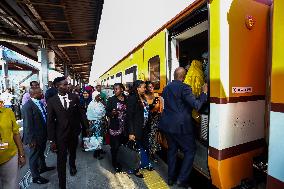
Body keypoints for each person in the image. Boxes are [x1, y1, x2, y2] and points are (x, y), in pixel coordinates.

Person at [159, 67, 208, 188]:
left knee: (172, 151)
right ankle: (182, 180)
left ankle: (171, 179)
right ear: (183, 77)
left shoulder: (166, 88)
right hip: (181, 127)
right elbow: (197, 105)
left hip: (167, 125)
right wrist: (204, 93)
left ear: (175, 75)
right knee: (190, 150)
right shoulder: (185, 88)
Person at [47, 77, 89, 189]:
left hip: (74, 132)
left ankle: (72, 165)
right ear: (57, 86)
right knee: (61, 159)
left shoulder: (74, 97)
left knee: (73, 152)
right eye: (65, 84)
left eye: (67, 84)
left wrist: (86, 127)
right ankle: (62, 185)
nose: (67, 86)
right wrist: (51, 140)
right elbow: (50, 121)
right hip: (60, 135)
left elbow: (81, 114)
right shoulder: (52, 101)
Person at [22, 88, 55, 185]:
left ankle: (43, 167)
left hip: (42, 134)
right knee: (34, 156)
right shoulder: (27, 106)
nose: (42, 93)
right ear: (34, 94)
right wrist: (31, 139)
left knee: (41, 153)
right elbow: (27, 125)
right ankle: (36, 177)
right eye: (40, 92)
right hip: (35, 137)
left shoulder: (40, 103)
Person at [127, 80, 153, 178]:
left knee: (145, 147)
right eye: (143, 87)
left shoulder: (143, 97)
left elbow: (146, 112)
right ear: (137, 88)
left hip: (144, 128)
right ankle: (136, 169)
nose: (145, 89)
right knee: (136, 149)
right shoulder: (132, 98)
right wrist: (131, 132)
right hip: (136, 129)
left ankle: (145, 163)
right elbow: (129, 117)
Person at [0, 97, 26, 189]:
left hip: (9, 156)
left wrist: (22, 154)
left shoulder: (8, 112)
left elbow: (16, 134)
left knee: (12, 185)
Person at [106, 83, 127, 172]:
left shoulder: (127, 99)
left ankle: (121, 160)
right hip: (115, 127)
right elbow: (107, 112)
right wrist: (112, 114)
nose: (115, 91)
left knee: (122, 145)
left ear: (122, 89)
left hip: (125, 128)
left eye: (116, 89)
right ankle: (115, 163)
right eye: (114, 89)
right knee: (115, 146)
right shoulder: (111, 100)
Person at [144, 81, 162, 162]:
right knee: (148, 137)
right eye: (149, 87)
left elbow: (160, 108)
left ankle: (152, 154)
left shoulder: (156, 95)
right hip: (146, 120)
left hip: (155, 119)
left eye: (152, 87)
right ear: (146, 88)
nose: (152, 88)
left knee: (153, 137)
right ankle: (148, 153)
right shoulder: (144, 97)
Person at [86, 91, 106, 159]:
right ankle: (96, 154)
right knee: (96, 138)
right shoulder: (91, 105)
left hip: (101, 122)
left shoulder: (100, 103)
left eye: (100, 96)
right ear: (94, 97)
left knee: (101, 137)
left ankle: (100, 150)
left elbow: (104, 111)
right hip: (94, 123)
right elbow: (90, 115)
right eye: (98, 96)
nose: (100, 97)